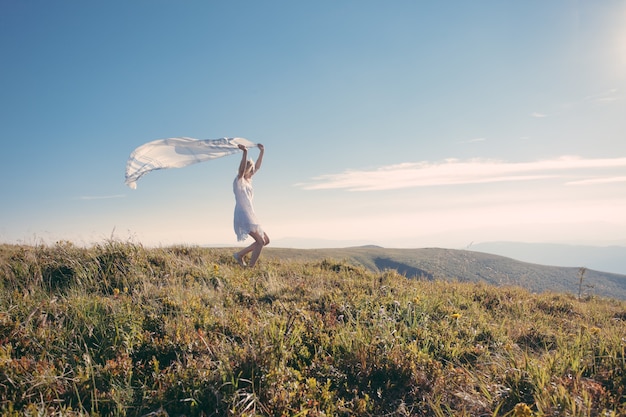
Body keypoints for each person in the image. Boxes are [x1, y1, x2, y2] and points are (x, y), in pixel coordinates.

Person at [232, 143, 270, 267]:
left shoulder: (248, 181)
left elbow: (258, 166)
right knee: (260, 242)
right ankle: (250, 268)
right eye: (251, 169)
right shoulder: (239, 181)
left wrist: (262, 152)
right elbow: (241, 170)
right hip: (243, 214)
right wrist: (245, 153)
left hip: (250, 214)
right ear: (247, 170)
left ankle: (240, 255)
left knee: (266, 241)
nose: (254, 171)